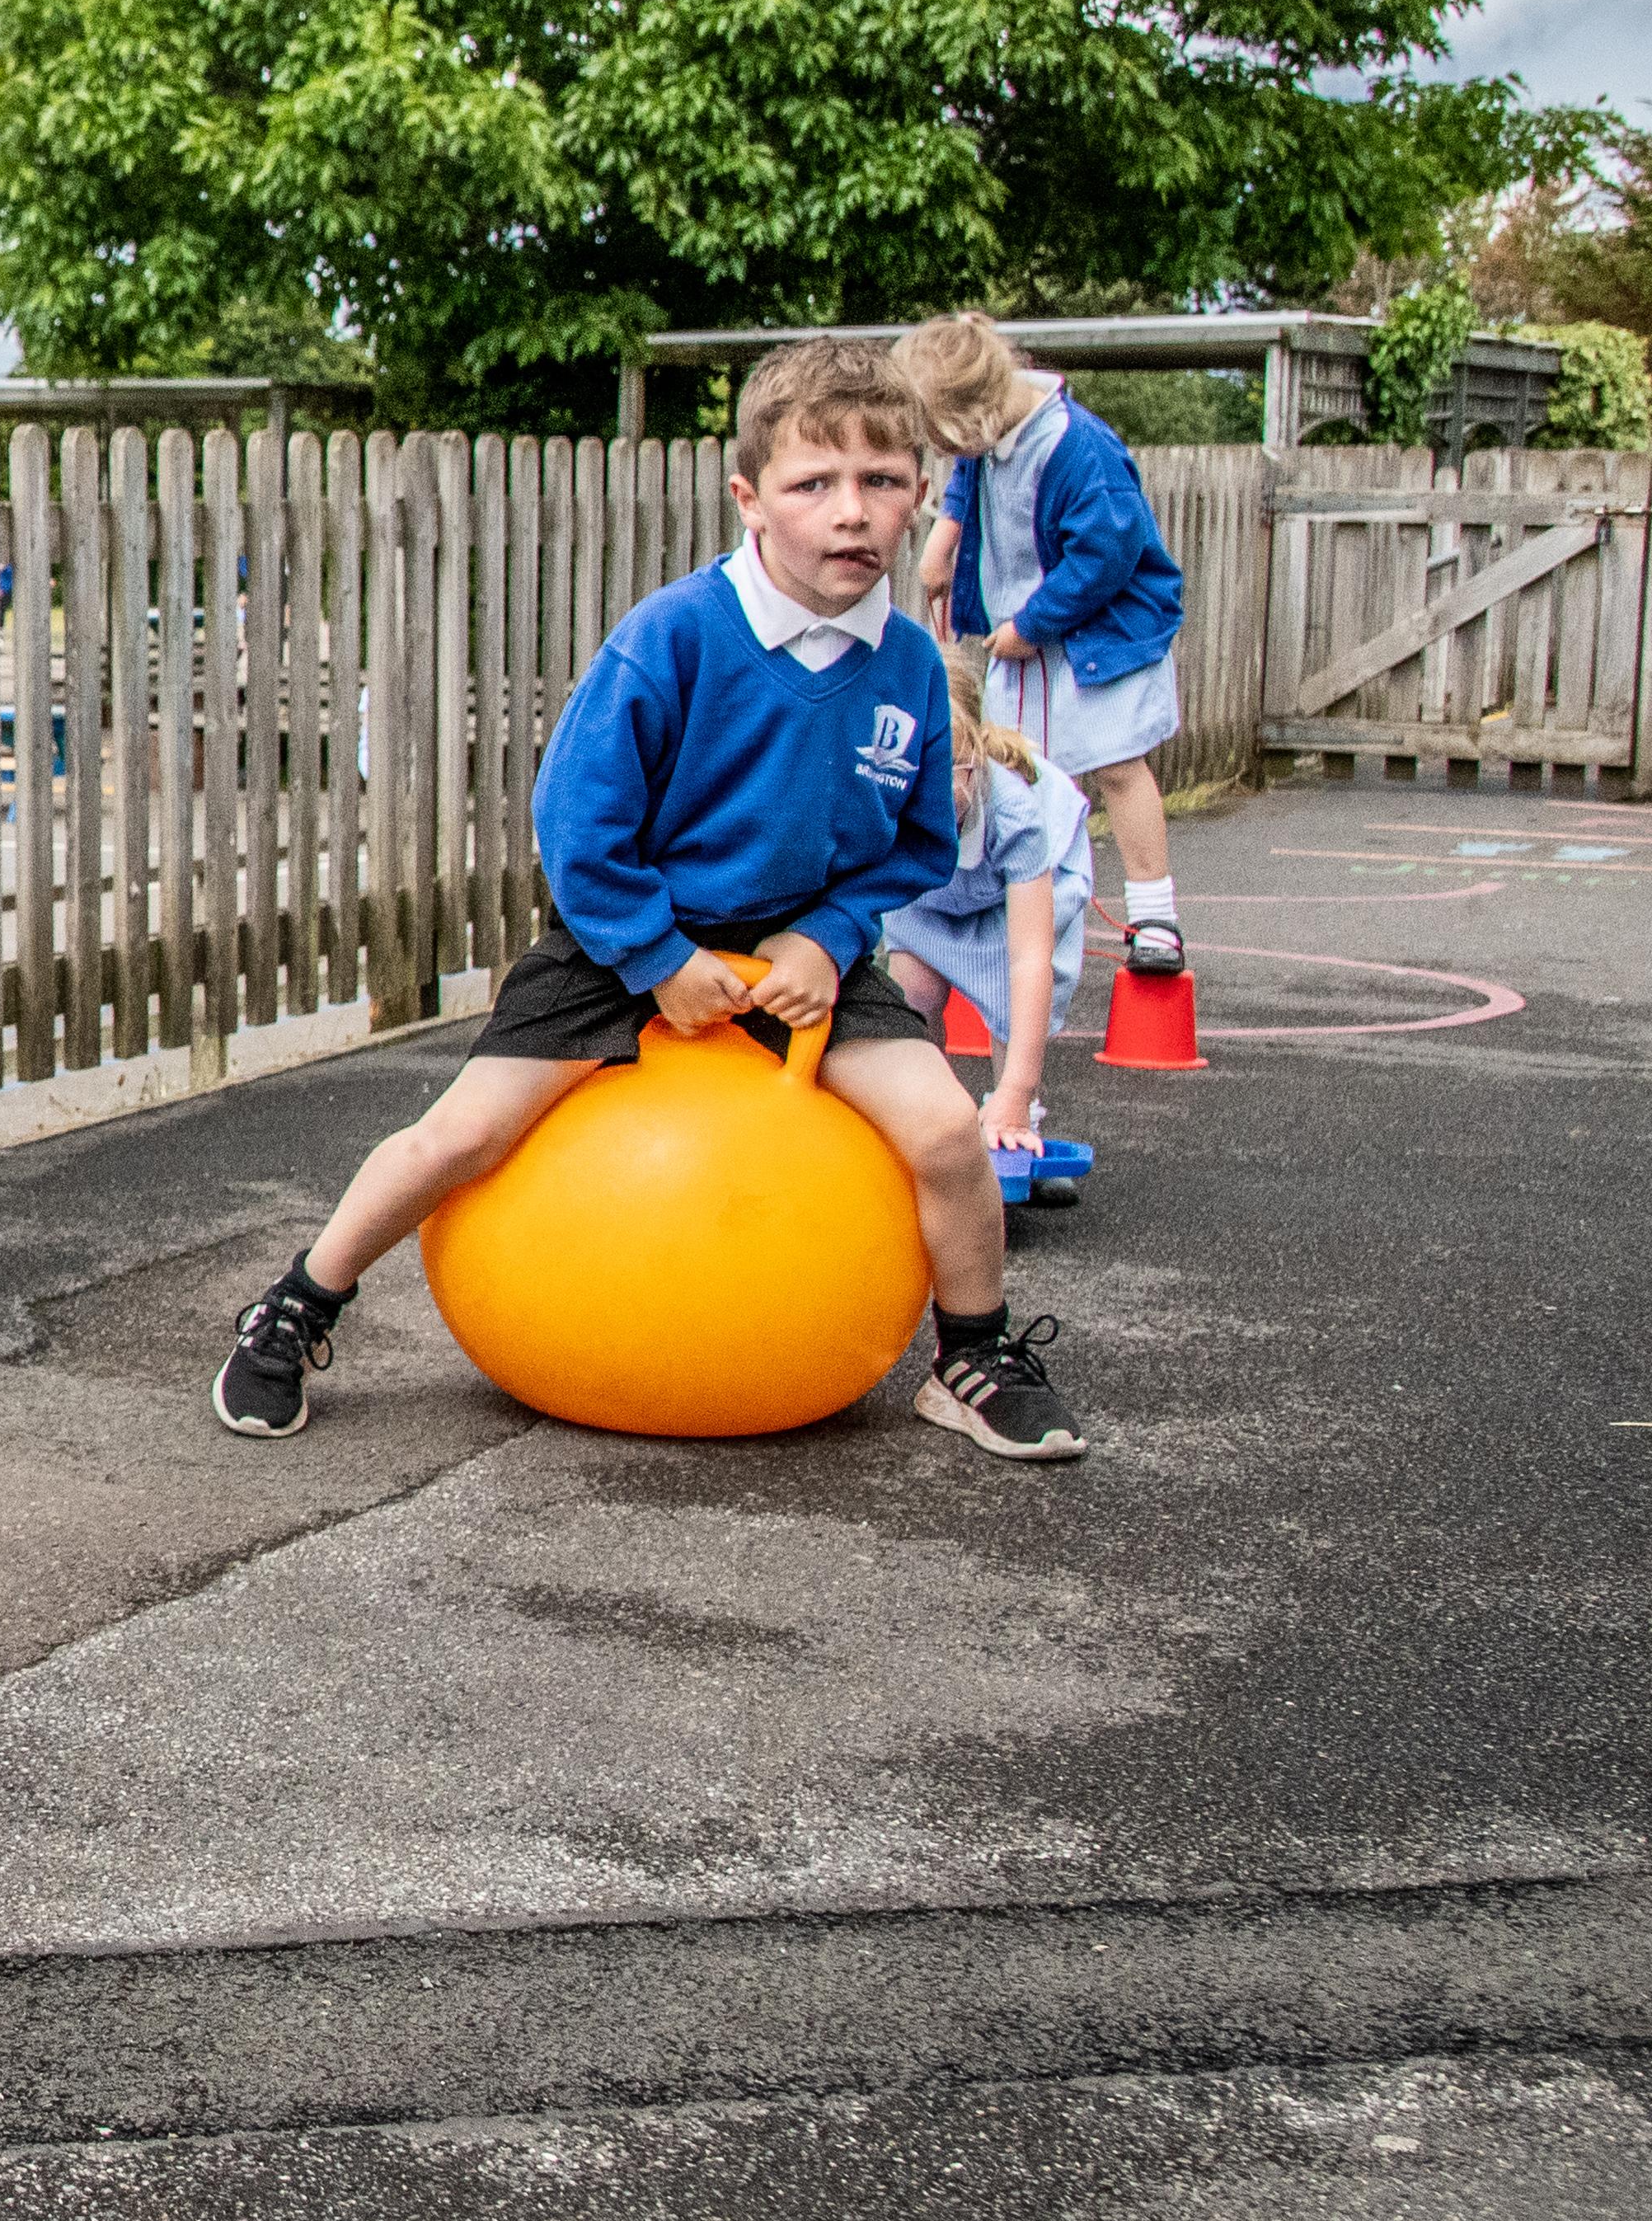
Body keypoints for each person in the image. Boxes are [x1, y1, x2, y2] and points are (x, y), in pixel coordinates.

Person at [209, 336, 1088, 1464]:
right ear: (750, 499)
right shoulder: (674, 636)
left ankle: (972, 1357)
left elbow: (914, 845)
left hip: (799, 954)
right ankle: (297, 1305)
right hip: (623, 938)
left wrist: (828, 938)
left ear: (922, 490)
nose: (851, 511)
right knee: (461, 1134)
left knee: (951, 1132)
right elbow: (576, 824)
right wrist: (658, 956)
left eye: (881, 480)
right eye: (813, 483)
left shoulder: (912, 668)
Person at [894, 312, 1192, 975]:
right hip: (1026, 639)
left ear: (975, 414)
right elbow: (968, 478)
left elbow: (1106, 553)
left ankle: (1155, 919)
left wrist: (1032, 626)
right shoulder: (990, 431)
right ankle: (1022, 908)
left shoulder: (1079, 448)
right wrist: (943, 542)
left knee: (1117, 766)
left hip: (1099, 642)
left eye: (944, 438)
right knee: (1019, 773)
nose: (945, 453)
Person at [879, 643, 1096, 1171]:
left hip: (1026, 888)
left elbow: (1030, 959)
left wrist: (1015, 1093)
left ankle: (1014, 1124)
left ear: (973, 762)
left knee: (1009, 993)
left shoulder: (1017, 814)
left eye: (942, 777)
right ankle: (929, 1117)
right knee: (909, 993)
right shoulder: (879, 799)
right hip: (936, 890)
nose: (924, 801)